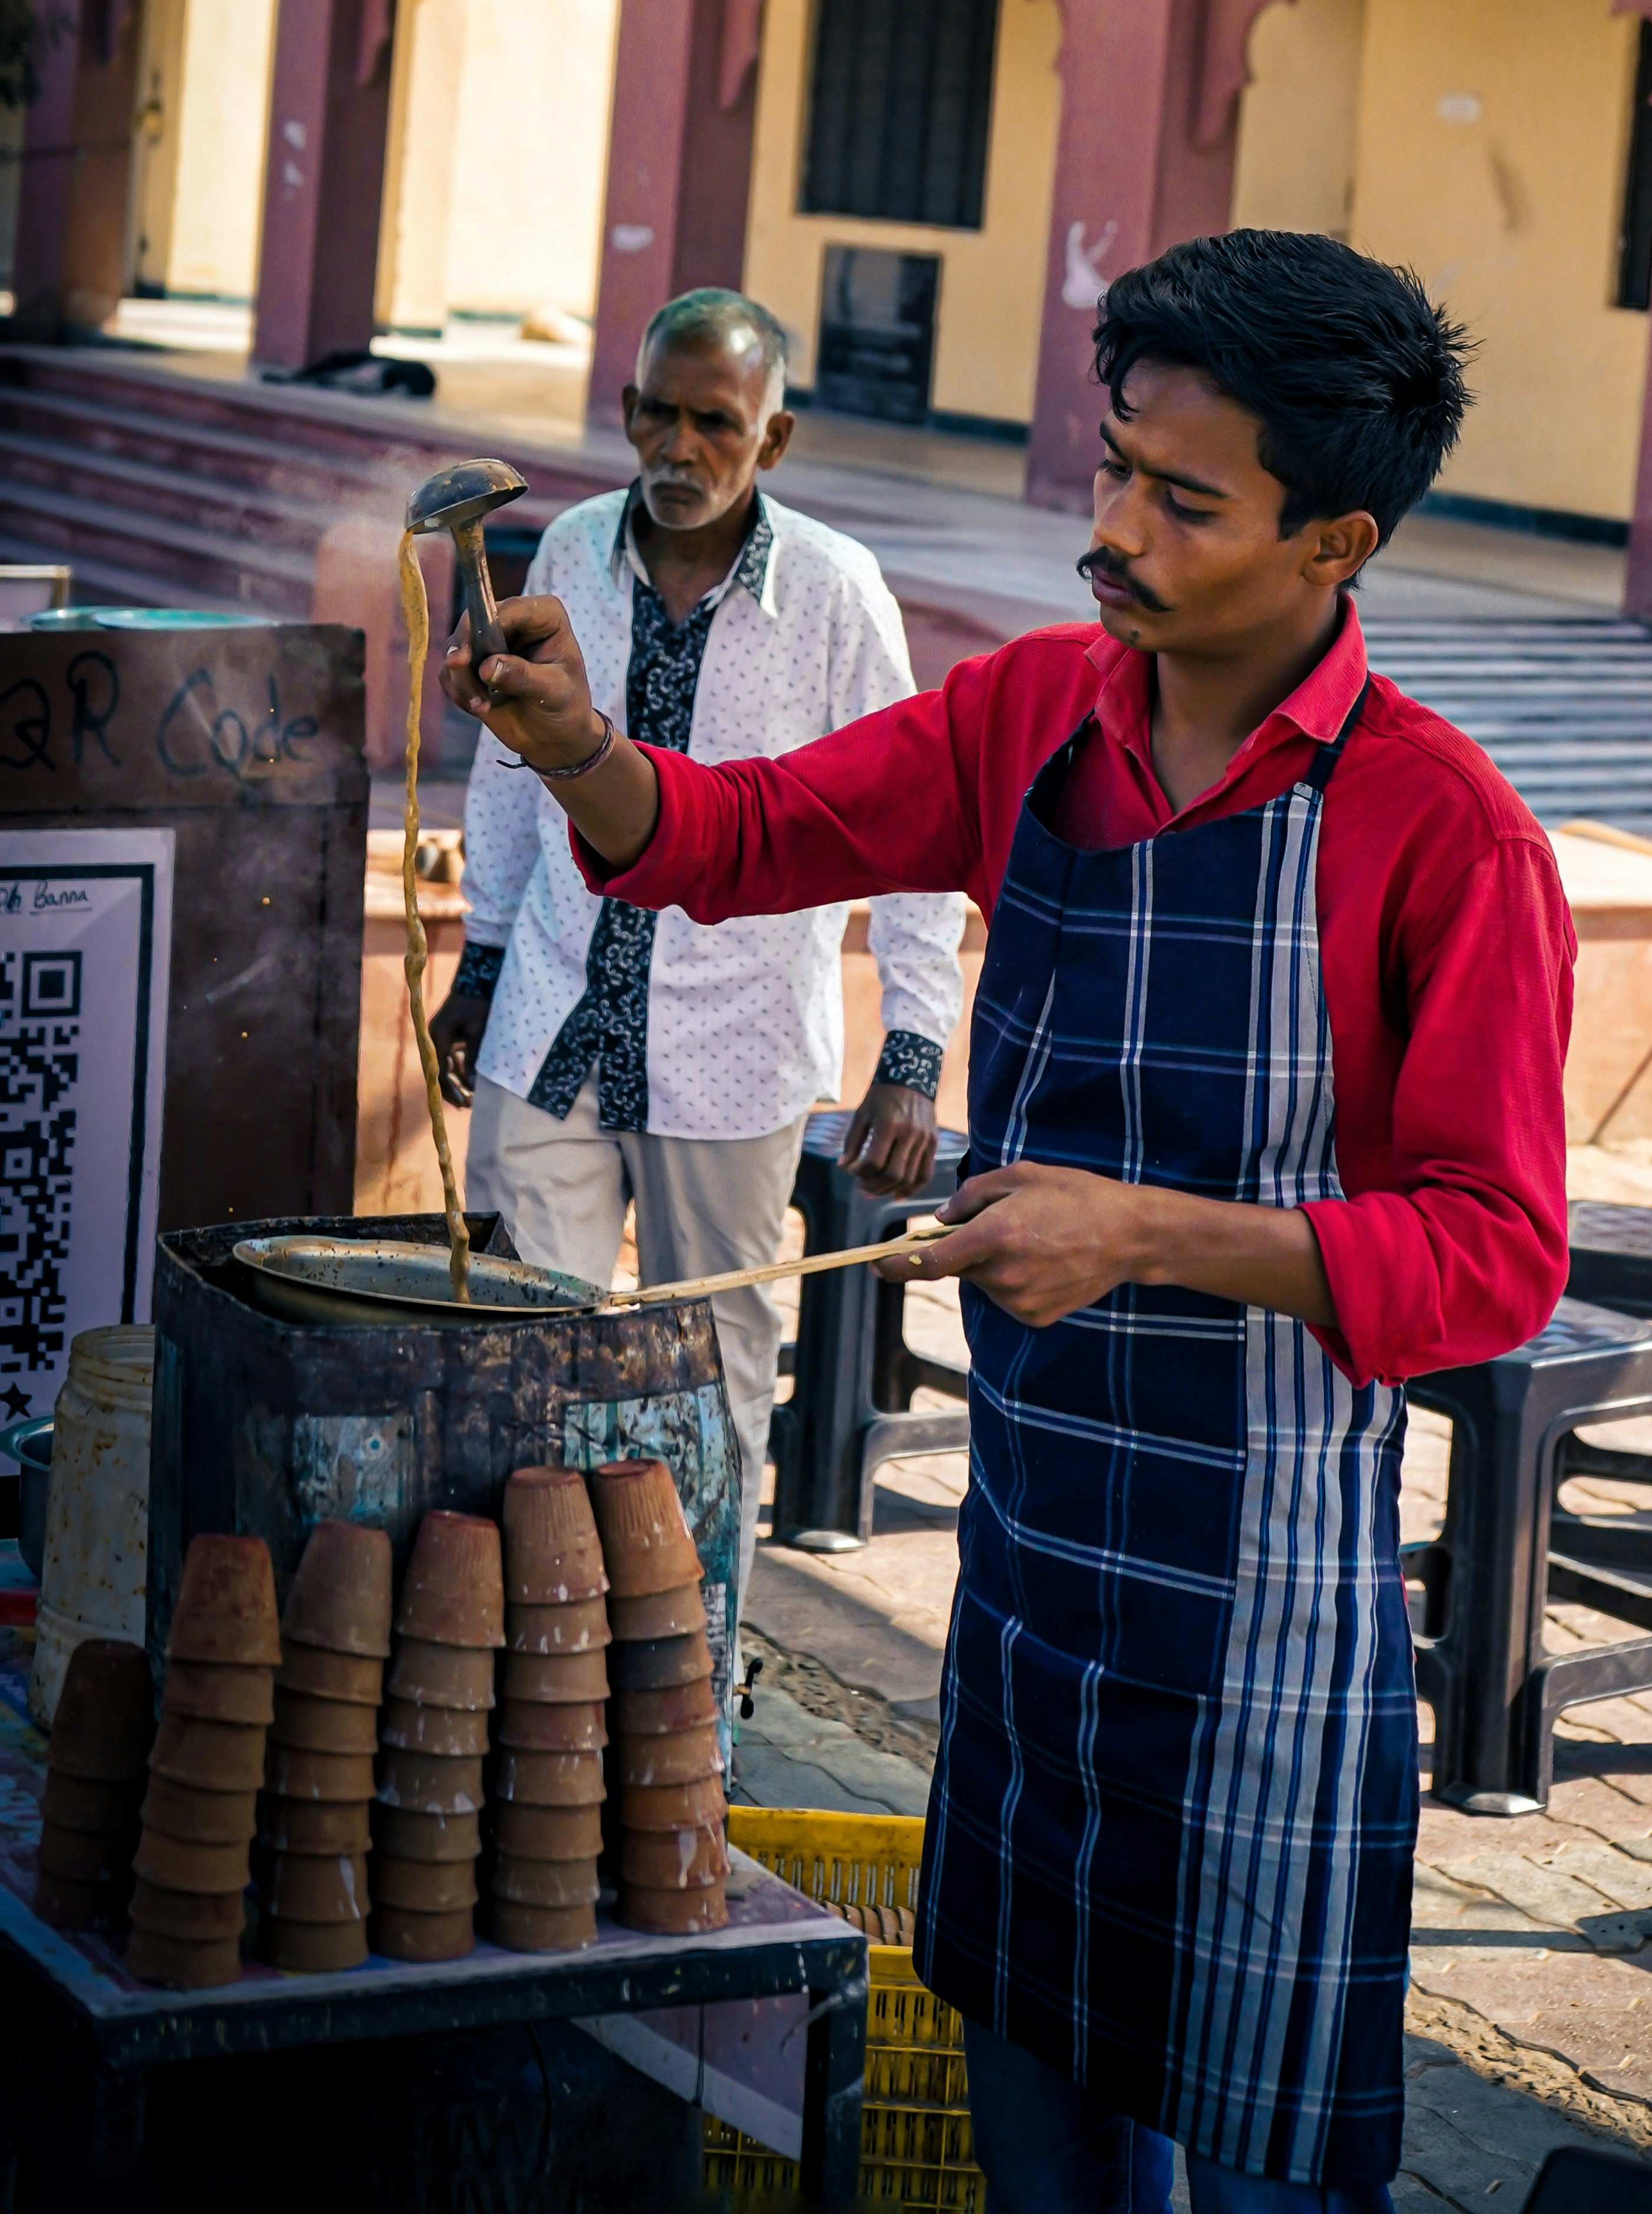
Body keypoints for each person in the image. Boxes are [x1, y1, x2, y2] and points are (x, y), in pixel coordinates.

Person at [442, 231, 1576, 2213]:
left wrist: (1143, 1230)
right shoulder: (1039, 711)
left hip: (1263, 1626)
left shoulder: (1438, 829)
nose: (1112, 528)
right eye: (1113, 466)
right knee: (1040, 2137)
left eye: (1181, 498)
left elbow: (1491, 1258)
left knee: (1258, 2165)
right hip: (1033, 1566)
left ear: (1338, 541)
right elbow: (739, 836)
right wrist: (575, 750)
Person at [427, 285, 967, 1597]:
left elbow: (918, 820)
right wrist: (481, 962)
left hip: (733, 1042)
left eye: (714, 423)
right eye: (659, 416)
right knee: (523, 1347)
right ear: (624, 414)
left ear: (770, 441)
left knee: (708, 1365)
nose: (681, 448)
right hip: (552, 1012)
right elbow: (512, 775)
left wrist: (912, 1041)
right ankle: (533, 1642)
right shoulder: (564, 548)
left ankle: (696, 1662)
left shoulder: (835, 593)